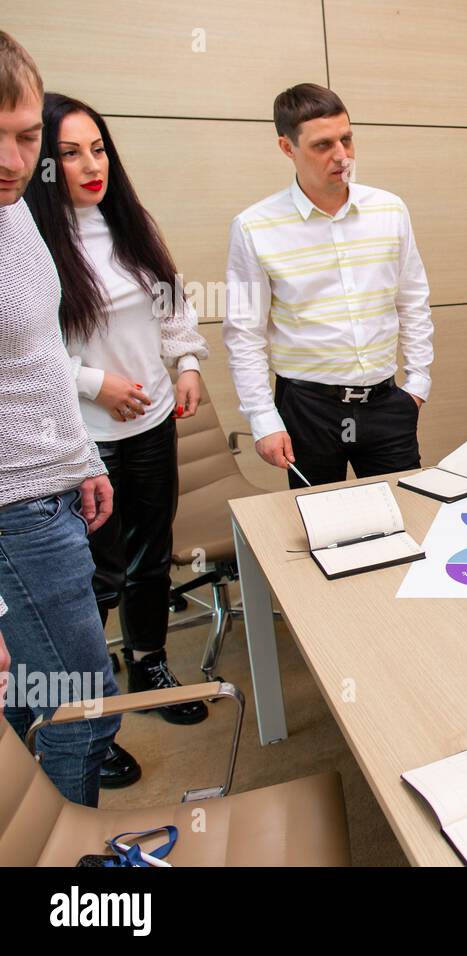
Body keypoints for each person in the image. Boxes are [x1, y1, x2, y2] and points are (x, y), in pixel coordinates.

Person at [26, 92, 210, 728]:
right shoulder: (30, 243)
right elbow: (25, 353)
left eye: (97, 149)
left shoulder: (129, 222)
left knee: (150, 557)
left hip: (152, 423)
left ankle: (149, 660)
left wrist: (185, 364)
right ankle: (87, 707)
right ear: (44, 165)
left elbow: (172, 307)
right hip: (85, 436)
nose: (89, 165)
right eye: (69, 154)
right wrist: (95, 382)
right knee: (96, 573)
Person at [0, 31, 128, 803]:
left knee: (31, 711)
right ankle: (71, 870)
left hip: (49, 497)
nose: (14, 161)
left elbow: (38, 352)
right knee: (79, 712)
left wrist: (80, 456)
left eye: (25, 137)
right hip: (12, 515)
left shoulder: (14, 213)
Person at [225, 83, 434, 487]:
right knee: (324, 530)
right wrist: (263, 417)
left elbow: (413, 301)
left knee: (407, 515)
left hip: (387, 402)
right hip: (307, 409)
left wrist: (418, 383)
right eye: (323, 145)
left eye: (347, 139)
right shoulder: (254, 227)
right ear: (287, 148)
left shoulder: (389, 209)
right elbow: (244, 334)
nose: (342, 155)